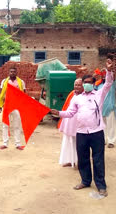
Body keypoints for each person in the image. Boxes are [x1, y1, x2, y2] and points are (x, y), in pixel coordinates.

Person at [50, 59, 114, 197]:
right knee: (83, 158)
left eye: (90, 83)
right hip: (81, 133)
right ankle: (85, 181)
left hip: (96, 133)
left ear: (93, 84)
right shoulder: (76, 98)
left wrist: (109, 71)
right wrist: (58, 113)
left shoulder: (99, 94)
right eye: (85, 83)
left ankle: (101, 185)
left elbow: (108, 83)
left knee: (98, 160)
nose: (87, 85)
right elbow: (70, 113)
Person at [0, 67, 26, 150]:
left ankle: (18, 144)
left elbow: (24, 94)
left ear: (16, 73)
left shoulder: (21, 82)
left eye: (14, 72)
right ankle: (5, 143)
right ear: (8, 73)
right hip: (7, 105)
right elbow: (1, 93)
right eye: (11, 72)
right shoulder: (5, 81)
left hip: (17, 106)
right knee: (5, 125)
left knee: (17, 126)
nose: (12, 73)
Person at [58, 79, 84, 168]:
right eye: (75, 84)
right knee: (68, 142)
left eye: (79, 85)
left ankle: (79, 162)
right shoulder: (72, 94)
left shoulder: (85, 96)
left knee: (79, 144)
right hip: (69, 123)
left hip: (79, 124)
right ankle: (70, 161)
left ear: (83, 86)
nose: (76, 86)